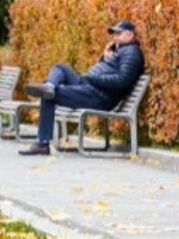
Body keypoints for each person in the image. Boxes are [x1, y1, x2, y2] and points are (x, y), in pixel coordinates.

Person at [18, 20, 145, 156]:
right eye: (114, 34)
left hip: (99, 97)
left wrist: (91, 78)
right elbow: (105, 71)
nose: (114, 37)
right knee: (60, 68)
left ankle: (43, 143)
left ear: (130, 35)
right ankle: (49, 86)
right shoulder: (120, 51)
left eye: (118, 34)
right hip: (91, 88)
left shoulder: (132, 53)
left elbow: (121, 81)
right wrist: (105, 57)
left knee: (50, 94)